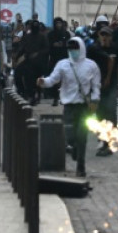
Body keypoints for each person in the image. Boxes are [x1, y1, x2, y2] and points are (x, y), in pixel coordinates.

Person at [37, 37, 100, 177]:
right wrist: (43, 81)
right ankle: (74, 148)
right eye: (70, 49)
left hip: (83, 107)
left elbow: (96, 86)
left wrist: (95, 101)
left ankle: (81, 166)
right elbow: (53, 79)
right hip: (69, 107)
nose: (73, 51)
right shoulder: (63, 65)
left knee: (82, 136)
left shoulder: (91, 66)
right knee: (70, 136)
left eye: (75, 48)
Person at [89, 26, 118, 156]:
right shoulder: (93, 50)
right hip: (97, 87)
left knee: (110, 114)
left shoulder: (116, 50)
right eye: (102, 35)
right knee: (99, 114)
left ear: (111, 37)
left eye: (107, 35)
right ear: (99, 36)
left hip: (112, 86)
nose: (104, 37)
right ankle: (102, 139)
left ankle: (109, 143)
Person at [47, 18, 72, 106]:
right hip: (54, 58)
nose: (58, 25)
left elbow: (69, 44)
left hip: (64, 57)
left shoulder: (66, 34)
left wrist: (63, 44)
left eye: (60, 23)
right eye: (57, 23)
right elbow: (48, 45)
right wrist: (54, 44)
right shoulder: (50, 34)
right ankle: (55, 97)